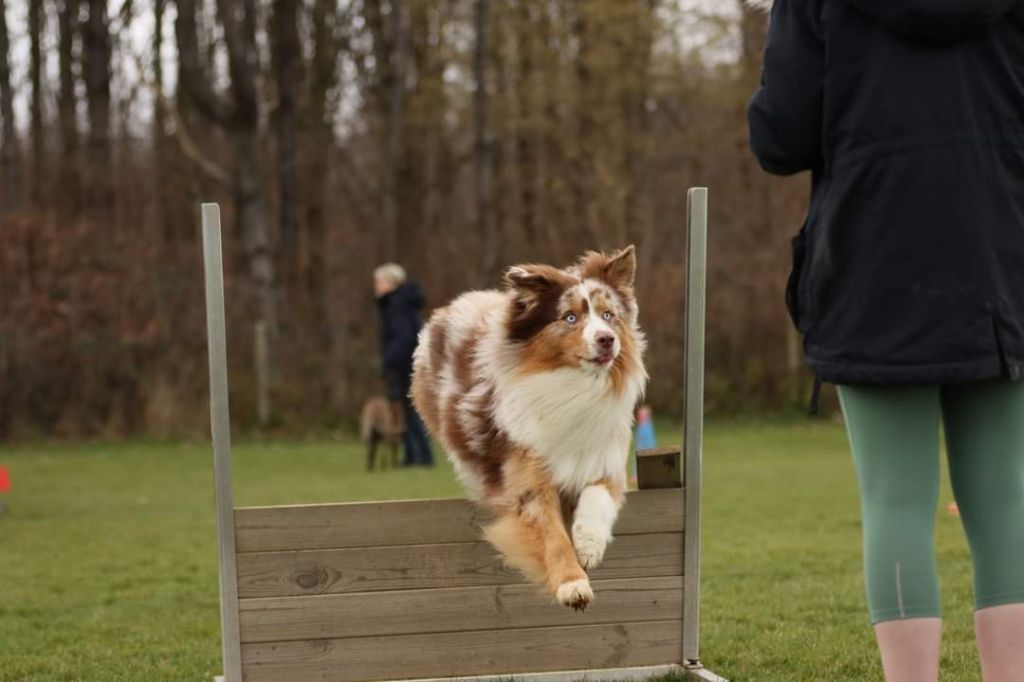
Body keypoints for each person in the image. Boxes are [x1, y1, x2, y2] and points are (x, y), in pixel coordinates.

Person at [748, 1, 1024, 680]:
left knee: (895, 502)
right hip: (1001, 259)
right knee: (1006, 499)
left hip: (872, 265)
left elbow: (780, 138)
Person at [373, 263, 434, 467]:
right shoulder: (402, 302)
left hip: (404, 366)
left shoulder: (396, 304)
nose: (376, 285)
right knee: (407, 412)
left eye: (379, 281)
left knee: (409, 411)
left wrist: (388, 362)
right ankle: (413, 456)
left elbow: (403, 338)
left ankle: (422, 456)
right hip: (410, 364)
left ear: (390, 283)